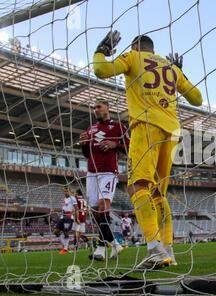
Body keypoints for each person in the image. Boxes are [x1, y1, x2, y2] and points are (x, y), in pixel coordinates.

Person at [93, 31, 202, 269]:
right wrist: (180, 72)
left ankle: (154, 249)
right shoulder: (171, 68)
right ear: (153, 48)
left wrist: (101, 51)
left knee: (137, 186)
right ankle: (168, 250)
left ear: (135, 46)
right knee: (158, 194)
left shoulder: (133, 57)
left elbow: (101, 70)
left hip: (145, 126)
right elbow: (197, 99)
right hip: (172, 130)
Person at [79, 99, 130, 261]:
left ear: (108, 108)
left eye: (99, 107)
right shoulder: (91, 129)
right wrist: (83, 144)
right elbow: (87, 155)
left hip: (108, 172)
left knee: (103, 206)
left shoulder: (118, 127)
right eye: (94, 108)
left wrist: (115, 145)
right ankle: (115, 244)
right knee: (95, 211)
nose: (96, 110)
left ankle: (100, 248)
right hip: (91, 172)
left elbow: (130, 147)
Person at [55, 188, 78, 254]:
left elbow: (76, 208)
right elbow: (64, 208)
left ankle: (65, 248)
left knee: (65, 232)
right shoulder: (64, 199)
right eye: (64, 191)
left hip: (69, 217)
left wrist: (77, 218)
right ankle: (65, 246)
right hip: (62, 217)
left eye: (66, 191)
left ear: (70, 192)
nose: (65, 192)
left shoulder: (72, 198)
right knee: (56, 231)